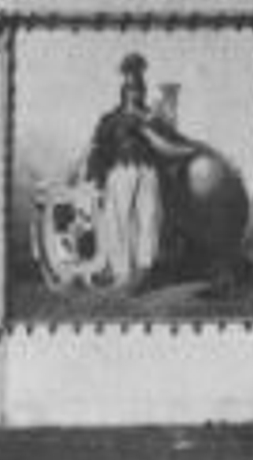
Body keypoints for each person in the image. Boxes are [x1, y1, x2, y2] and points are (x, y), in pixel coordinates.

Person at [83, 54, 200, 287]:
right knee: (117, 222)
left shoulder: (153, 120)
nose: (134, 94)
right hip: (119, 175)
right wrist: (97, 180)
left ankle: (143, 272)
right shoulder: (110, 120)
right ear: (123, 91)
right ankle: (120, 272)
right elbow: (97, 151)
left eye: (138, 89)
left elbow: (168, 146)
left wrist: (155, 128)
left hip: (148, 174)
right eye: (130, 89)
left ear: (143, 91)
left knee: (148, 220)